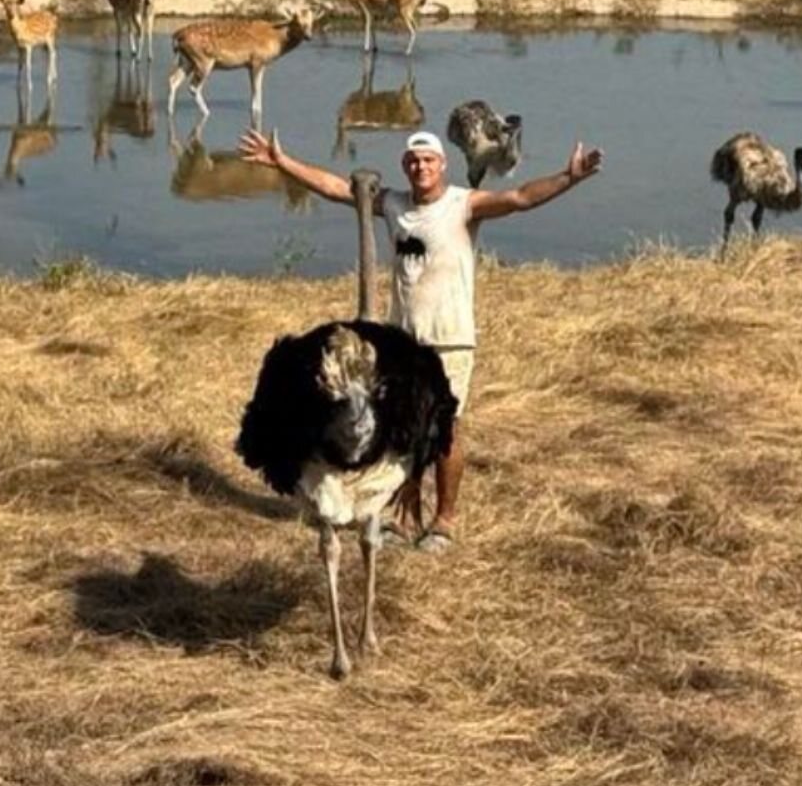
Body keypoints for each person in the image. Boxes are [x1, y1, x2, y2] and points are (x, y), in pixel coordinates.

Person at [239, 125, 604, 551]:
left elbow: (520, 198)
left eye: (428, 160)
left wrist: (568, 177)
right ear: (405, 166)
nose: (421, 167)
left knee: (445, 429)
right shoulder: (393, 203)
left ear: (442, 165)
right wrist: (283, 162)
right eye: (414, 161)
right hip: (401, 343)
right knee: (402, 427)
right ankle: (400, 516)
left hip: (449, 338)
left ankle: (444, 519)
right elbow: (339, 189)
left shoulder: (463, 204)